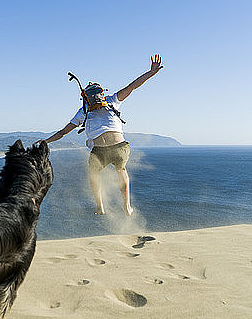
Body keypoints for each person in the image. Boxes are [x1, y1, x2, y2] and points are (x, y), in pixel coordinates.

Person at [43, 55, 164, 216]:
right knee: (121, 171)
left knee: (94, 176)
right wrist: (150, 73)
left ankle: (100, 206)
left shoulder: (84, 111)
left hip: (100, 152)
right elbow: (132, 86)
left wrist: (45, 141)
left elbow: (63, 132)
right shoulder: (112, 100)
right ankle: (126, 206)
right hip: (119, 147)